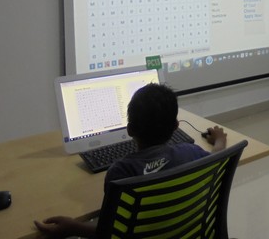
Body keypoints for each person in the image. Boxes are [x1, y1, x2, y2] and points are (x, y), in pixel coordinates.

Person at [34, 83, 227, 238]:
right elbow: (217, 156)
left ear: (130, 129)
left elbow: (112, 232)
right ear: (176, 126)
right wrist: (219, 139)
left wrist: (73, 227)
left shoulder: (121, 173)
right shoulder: (191, 152)